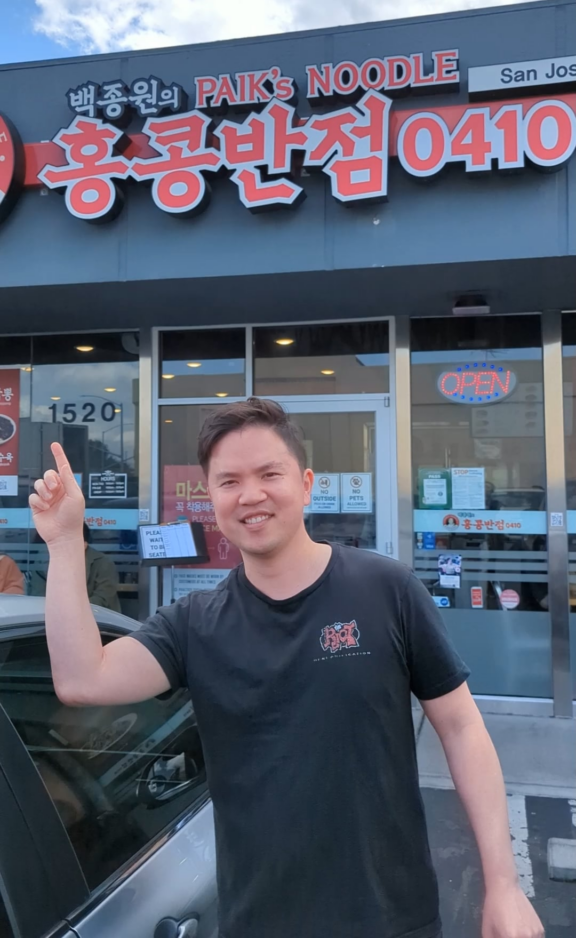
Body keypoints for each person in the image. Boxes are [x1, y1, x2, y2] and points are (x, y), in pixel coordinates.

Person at [29, 399, 544, 938]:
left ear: (306, 484)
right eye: (229, 481)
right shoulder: (193, 626)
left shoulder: (386, 591)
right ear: (211, 498)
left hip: (392, 920)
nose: (251, 495)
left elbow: (462, 728)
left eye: (269, 474)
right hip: (259, 922)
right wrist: (66, 543)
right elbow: (82, 679)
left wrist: (503, 883)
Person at [29, 523, 121, 611]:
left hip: (98, 620)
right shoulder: (44, 562)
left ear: (84, 544)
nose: (64, 546)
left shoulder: (103, 563)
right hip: (54, 618)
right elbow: (38, 596)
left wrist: (72, 612)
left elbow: (102, 599)